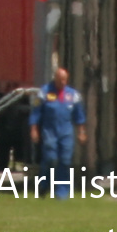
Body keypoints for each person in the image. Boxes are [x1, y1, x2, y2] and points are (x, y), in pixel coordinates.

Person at [29, 66, 86, 199]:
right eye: (60, 80)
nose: (63, 83)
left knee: (65, 160)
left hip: (66, 132)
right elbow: (36, 113)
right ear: (55, 78)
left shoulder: (73, 95)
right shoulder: (44, 93)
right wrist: (34, 129)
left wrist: (82, 132)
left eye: (65, 80)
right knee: (51, 159)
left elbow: (79, 116)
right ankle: (43, 185)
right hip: (49, 131)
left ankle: (62, 192)